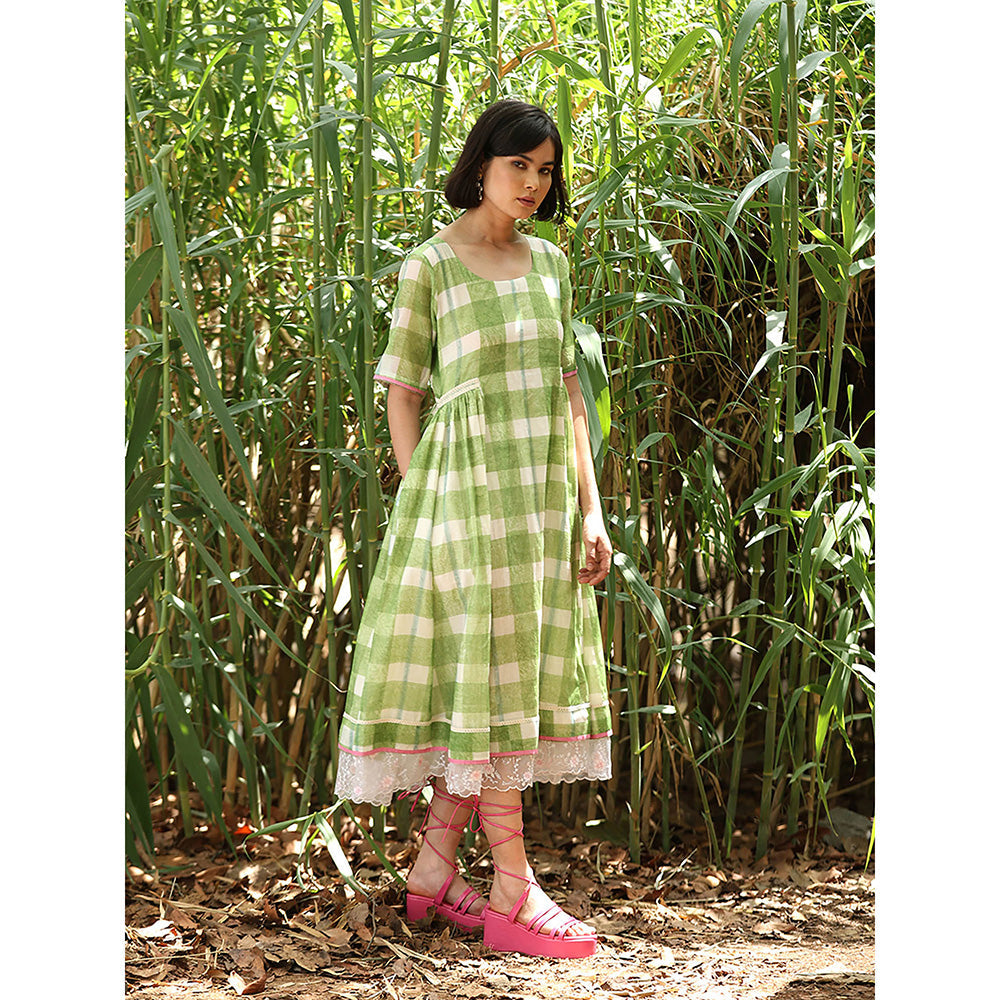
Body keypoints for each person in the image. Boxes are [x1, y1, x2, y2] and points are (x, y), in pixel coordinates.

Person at [333, 98, 613, 959]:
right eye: (518, 164)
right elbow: (403, 392)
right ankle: (513, 890)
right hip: (462, 498)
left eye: (545, 170)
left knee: (502, 679)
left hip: (540, 500)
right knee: (483, 677)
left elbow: (568, 391)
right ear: (482, 164)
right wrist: (425, 496)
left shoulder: (552, 264)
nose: (533, 183)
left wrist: (592, 507)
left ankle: (431, 875)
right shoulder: (430, 266)